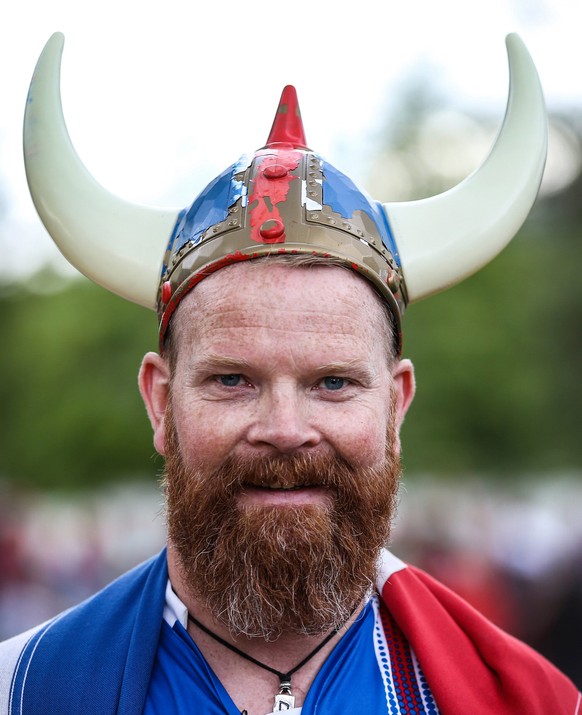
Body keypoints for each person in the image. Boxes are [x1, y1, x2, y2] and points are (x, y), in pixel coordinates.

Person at [0, 31, 579, 715]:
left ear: (395, 407)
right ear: (160, 403)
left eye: (332, 382)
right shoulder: (24, 690)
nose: (284, 430)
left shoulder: (527, 700)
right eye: (232, 380)